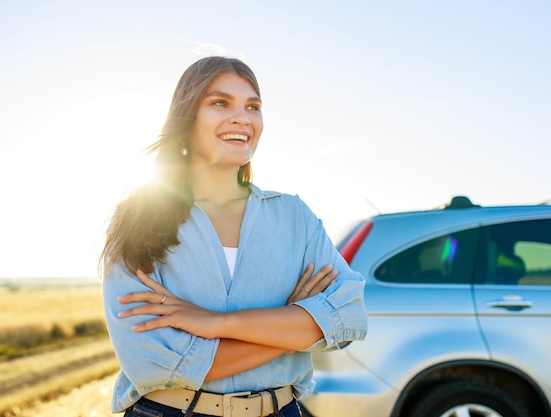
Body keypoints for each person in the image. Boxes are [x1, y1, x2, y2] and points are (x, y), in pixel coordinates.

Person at [100, 56, 367, 417]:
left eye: (253, 106)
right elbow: (155, 365)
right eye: (220, 103)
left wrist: (214, 323)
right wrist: (293, 325)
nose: (243, 117)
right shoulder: (138, 219)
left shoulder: (295, 217)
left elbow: (348, 316)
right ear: (187, 115)